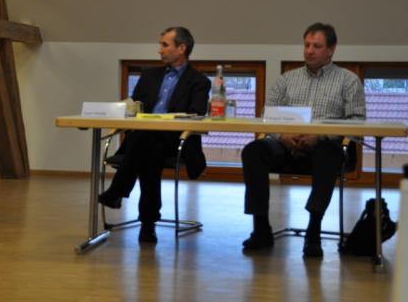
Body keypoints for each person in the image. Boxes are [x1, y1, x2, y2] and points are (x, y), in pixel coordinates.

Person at [241, 23, 366, 257]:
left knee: (328, 151)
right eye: (307, 45)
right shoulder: (287, 79)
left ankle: (313, 230)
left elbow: (357, 123)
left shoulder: (348, 80)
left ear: (331, 50)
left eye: (316, 46)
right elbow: (268, 115)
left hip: (325, 147)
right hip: (286, 144)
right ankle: (261, 228)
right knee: (253, 150)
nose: (309, 51)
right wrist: (282, 136)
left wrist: (320, 136)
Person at [98, 27, 211, 243]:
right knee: (149, 149)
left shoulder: (199, 81)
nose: (159, 50)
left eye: (164, 45)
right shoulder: (149, 75)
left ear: (181, 48)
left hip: (177, 140)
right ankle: (147, 224)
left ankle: (119, 193)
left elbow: (196, 113)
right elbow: (136, 107)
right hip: (147, 141)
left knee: (146, 143)